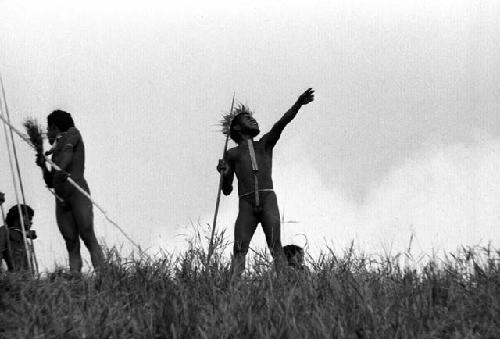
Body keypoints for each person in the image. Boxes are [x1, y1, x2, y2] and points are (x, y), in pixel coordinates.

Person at [217, 88, 315, 278]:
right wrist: (225, 173)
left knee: (275, 245)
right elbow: (227, 190)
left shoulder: (264, 144)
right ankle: (234, 286)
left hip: (267, 197)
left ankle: (282, 282)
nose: (253, 121)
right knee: (239, 248)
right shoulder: (231, 154)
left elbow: (282, 123)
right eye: (247, 119)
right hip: (246, 203)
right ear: (236, 128)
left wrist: (297, 105)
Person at [36, 110, 103, 274]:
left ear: (54, 127)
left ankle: (104, 275)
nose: (47, 133)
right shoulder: (55, 151)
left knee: (87, 235)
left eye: (48, 129)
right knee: (71, 241)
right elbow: (50, 182)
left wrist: (60, 169)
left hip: (77, 194)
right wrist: (43, 166)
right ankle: (75, 279)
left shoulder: (72, 134)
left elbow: (67, 156)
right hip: (61, 199)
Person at [0, 203, 37, 272]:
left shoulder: (25, 240)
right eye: (28, 218)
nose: (31, 222)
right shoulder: (5, 231)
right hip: (13, 280)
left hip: (28, 281)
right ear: (17, 217)